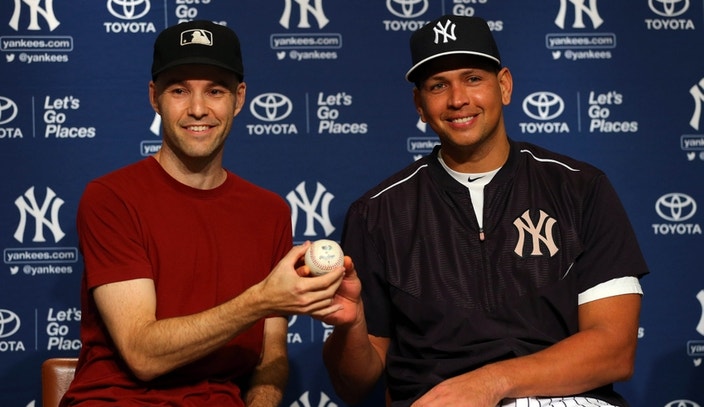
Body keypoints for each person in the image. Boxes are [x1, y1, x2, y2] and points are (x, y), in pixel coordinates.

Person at [321, 15, 649, 407]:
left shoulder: (580, 188)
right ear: (420, 105)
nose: (458, 98)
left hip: (563, 399)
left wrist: (491, 383)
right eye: (438, 86)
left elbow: (615, 349)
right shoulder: (377, 213)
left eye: (473, 78)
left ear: (505, 86)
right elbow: (355, 384)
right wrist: (350, 328)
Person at [61, 20, 345, 406]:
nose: (198, 109)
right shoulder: (111, 198)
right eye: (179, 90)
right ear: (154, 97)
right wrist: (260, 299)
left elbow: (272, 354)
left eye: (215, 91)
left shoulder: (269, 211)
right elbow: (142, 354)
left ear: (239, 98)